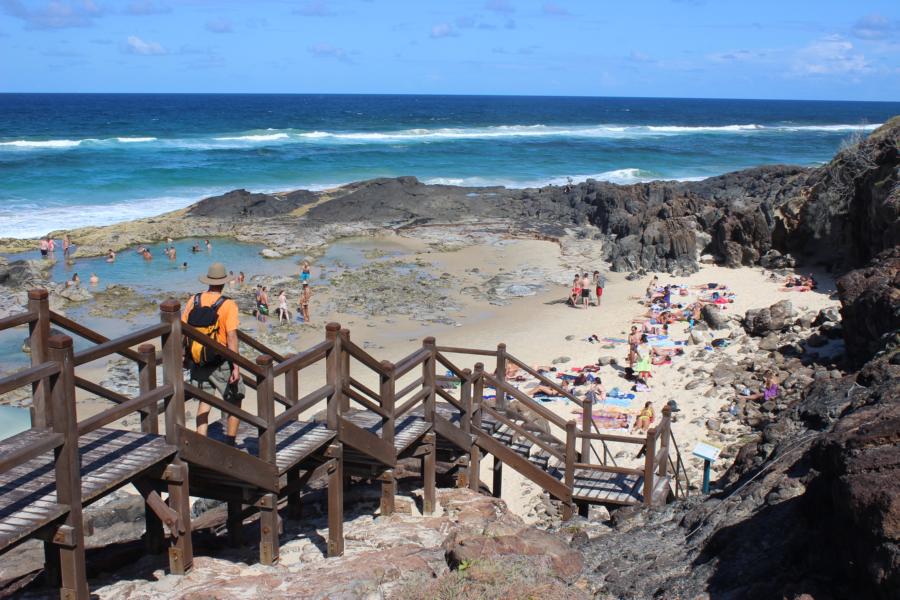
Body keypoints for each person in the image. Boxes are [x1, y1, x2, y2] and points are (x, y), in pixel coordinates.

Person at [181, 263, 245, 444]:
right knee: (235, 400)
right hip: (220, 361)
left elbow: (183, 330)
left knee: (205, 400)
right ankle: (230, 443)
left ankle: (201, 442)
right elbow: (231, 336)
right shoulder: (228, 305)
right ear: (223, 282)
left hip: (198, 360)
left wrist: (184, 356)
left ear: (208, 281)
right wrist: (236, 366)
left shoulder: (194, 300)